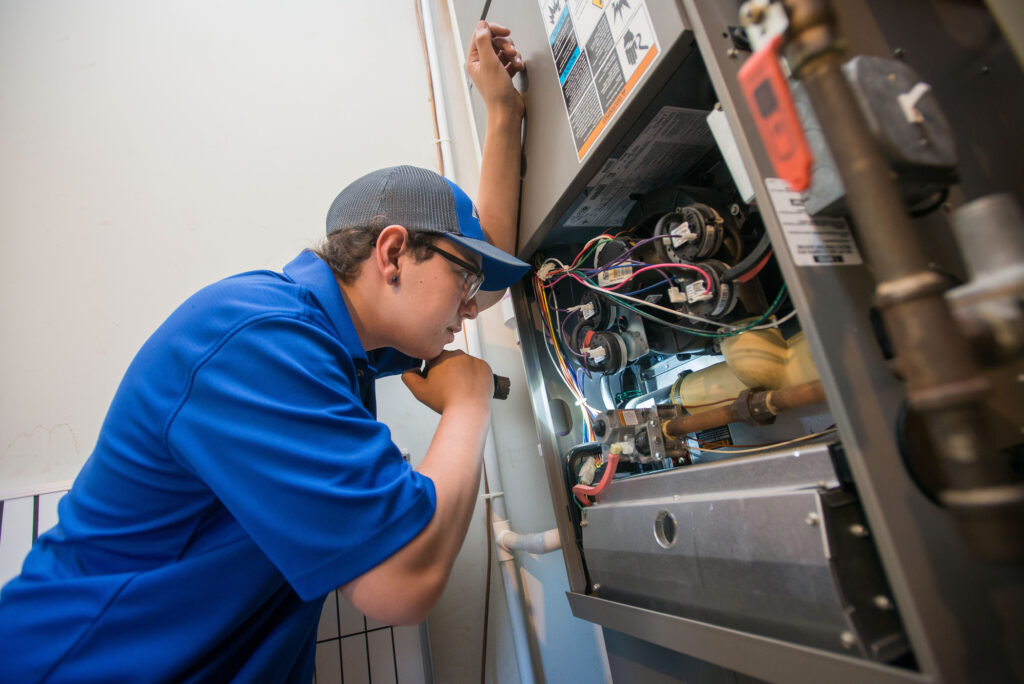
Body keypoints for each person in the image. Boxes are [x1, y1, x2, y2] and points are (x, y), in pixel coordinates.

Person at [0, 20, 528, 683]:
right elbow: (400, 582)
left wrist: (502, 113)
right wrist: (469, 403)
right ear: (393, 253)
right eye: (464, 278)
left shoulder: (338, 346)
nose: (471, 304)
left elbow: (485, 284)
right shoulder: (258, 338)